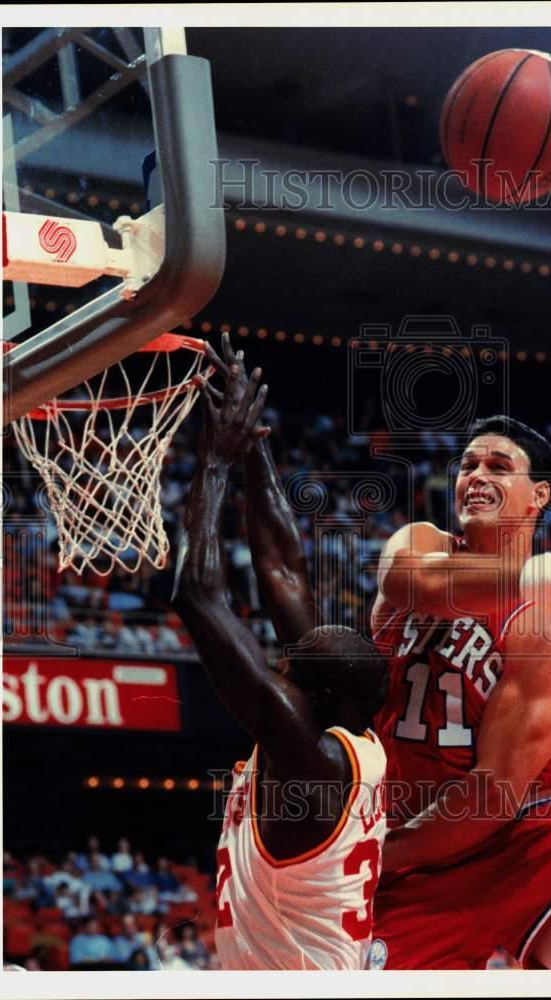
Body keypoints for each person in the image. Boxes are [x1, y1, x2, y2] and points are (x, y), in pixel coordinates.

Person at [369, 415, 551, 970]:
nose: (476, 475)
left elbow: (493, 792)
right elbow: (413, 584)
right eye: (469, 465)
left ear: (540, 494)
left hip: (518, 838)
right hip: (412, 847)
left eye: (499, 467)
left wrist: (377, 852)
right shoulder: (421, 544)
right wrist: (545, 572)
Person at [171, 336, 388, 970]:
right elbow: (283, 571)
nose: (279, 660)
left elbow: (196, 595)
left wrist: (214, 462)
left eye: (288, 665)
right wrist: (256, 441)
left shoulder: (311, 773)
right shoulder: (348, 738)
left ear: (311, 701)